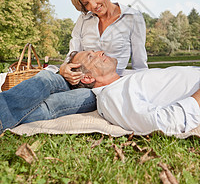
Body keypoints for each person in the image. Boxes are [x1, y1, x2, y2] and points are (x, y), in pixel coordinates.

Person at [0, 50, 200, 136]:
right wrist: (58, 71)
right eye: (91, 55)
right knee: (47, 81)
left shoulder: (128, 77)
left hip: (91, 87)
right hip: (91, 88)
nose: (100, 52)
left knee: (49, 97)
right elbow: (162, 123)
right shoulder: (113, 95)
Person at [60, 0, 148, 87]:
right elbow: (72, 56)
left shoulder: (132, 17)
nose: (93, 6)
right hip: (86, 86)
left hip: (115, 86)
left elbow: (140, 66)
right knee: (47, 79)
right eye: (86, 3)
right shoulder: (83, 20)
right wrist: (63, 69)